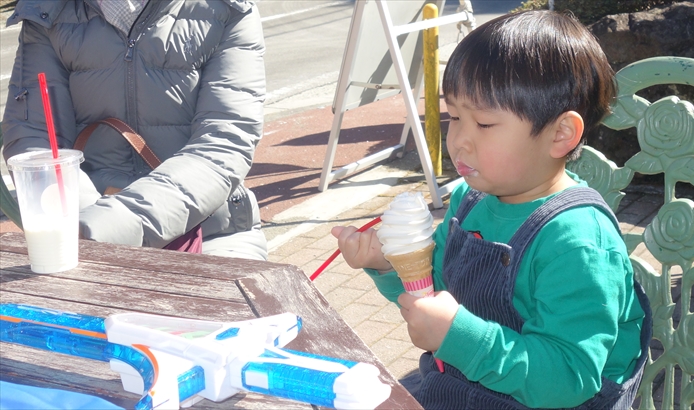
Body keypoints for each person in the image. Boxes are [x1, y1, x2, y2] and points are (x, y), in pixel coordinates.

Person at [331, 10, 651, 409]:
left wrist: (457, 336)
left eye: (483, 124)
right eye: (454, 117)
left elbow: (570, 376)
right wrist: (389, 264)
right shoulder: (470, 201)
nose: (459, 141)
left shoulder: (578, 242)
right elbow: (437, 291)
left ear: (560, 134)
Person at [2, 0, 267, 260]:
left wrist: (111, 224)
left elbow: (223, 143)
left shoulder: (227, 9)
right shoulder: (46, 11)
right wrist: (84, 225)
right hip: (83, 225)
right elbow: (34, 141)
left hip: (211, 230)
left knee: (227, 289)